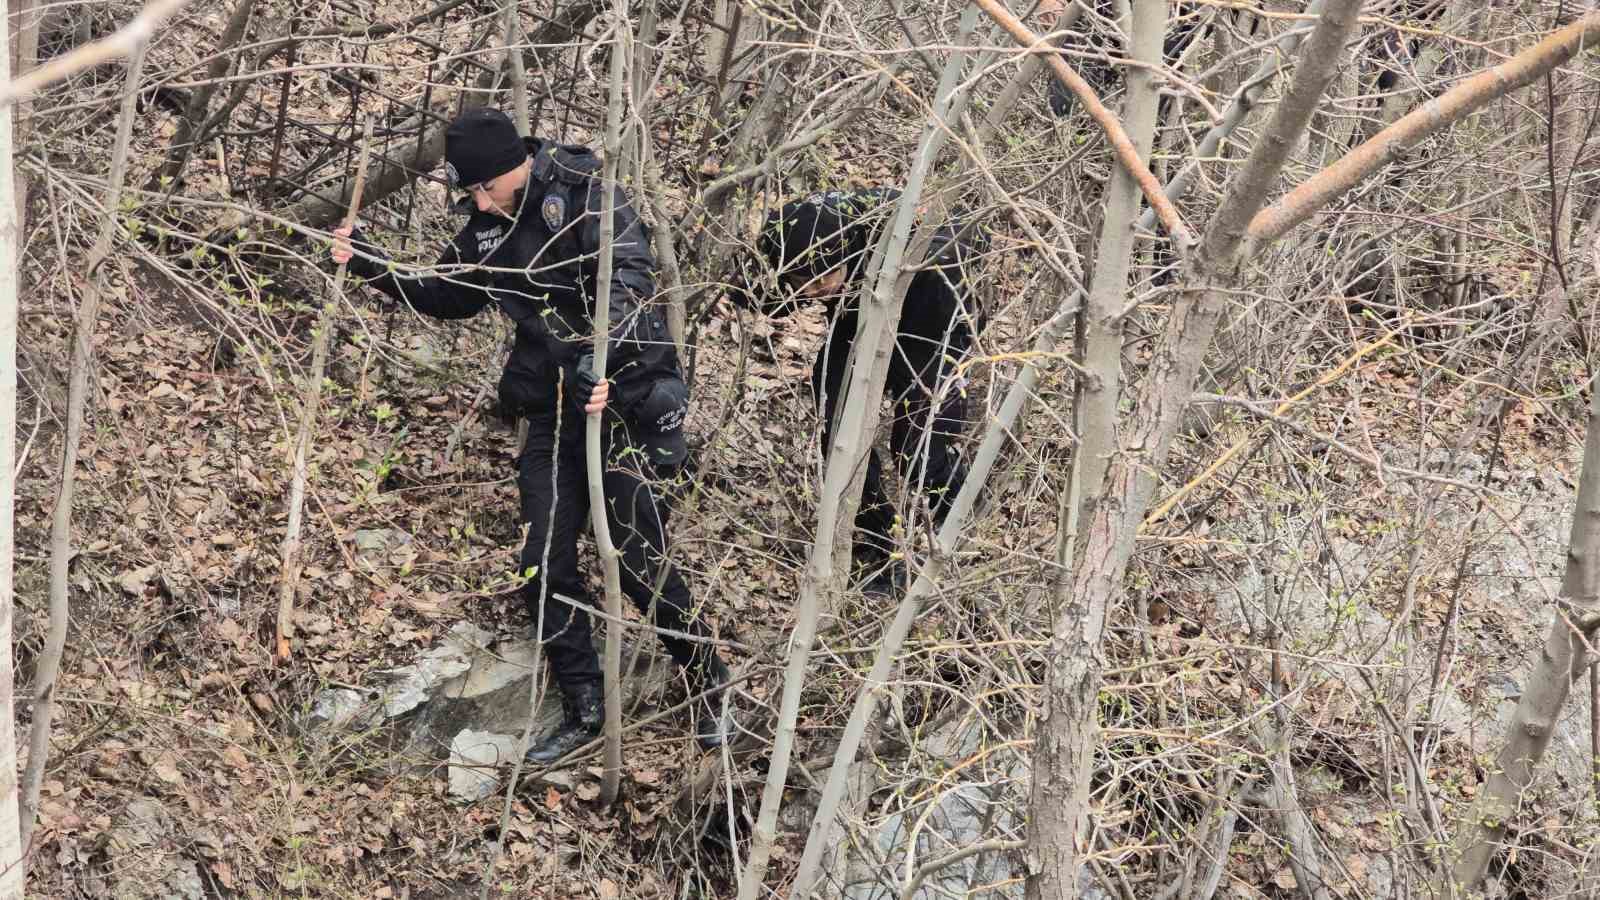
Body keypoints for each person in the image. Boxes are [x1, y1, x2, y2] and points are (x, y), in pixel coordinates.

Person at [331, 108, 729, 762]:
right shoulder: (488, 228)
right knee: (541, 560)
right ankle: (584, 705)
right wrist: (369, 262)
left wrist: (605, 356)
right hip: (549, 403)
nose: (479, 203)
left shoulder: (586, 196)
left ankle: (707, 677)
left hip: (620, 397)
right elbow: (448, 294)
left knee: (634, 557)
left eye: (484, 189)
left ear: (513, 166)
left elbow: (630, 278)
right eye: (473, 196)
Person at [735, 189, 986, 595]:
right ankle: (878, 544)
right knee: (840, 432)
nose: (813, 292)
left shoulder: (923, 249)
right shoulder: (792, 234)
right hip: (859, 324)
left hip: (932, 328)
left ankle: (955, 517)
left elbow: (973, 253)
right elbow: (758, 292)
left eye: (820, 282)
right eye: (805, 283)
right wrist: (772, 292)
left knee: (920, 447)